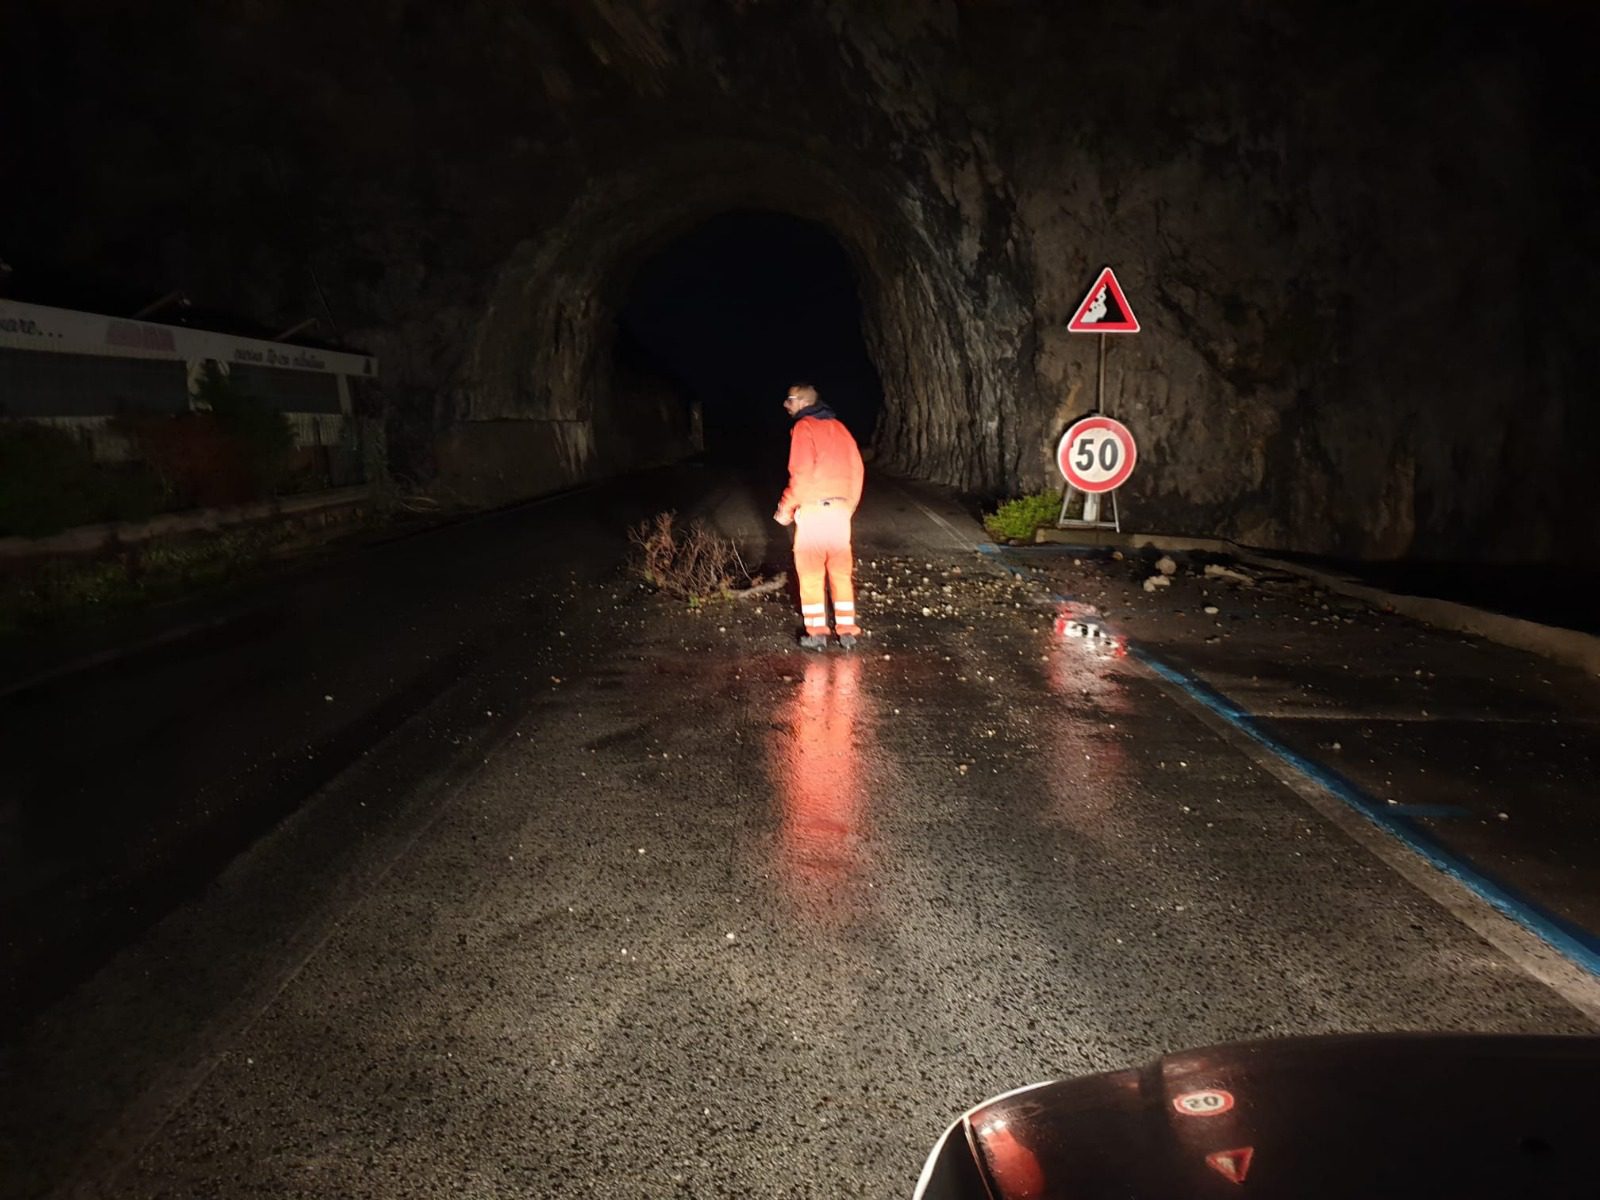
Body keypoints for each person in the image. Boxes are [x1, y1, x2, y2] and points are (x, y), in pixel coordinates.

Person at [774, 383, 865, 650]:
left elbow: (800, 473)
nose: (785, 405)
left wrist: (786, 507)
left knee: (811, 572)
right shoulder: (840, 428)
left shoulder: (804, 428)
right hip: (840, 511)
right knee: (840, 571)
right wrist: (849, 506)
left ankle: (817, 632)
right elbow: (857, 469)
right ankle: (847, 631)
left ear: (802, 402)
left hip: (813, 511)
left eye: (789, 400)